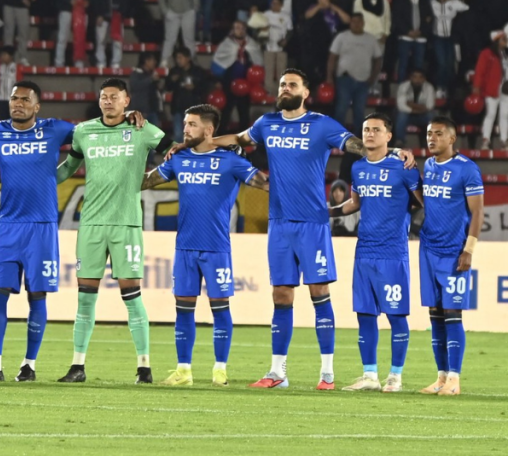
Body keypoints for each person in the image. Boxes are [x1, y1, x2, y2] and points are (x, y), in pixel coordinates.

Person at [173, 68, 415, 389]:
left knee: (319, 293)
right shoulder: (267, 123)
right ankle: (278, 373)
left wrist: (393, 151)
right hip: (279, 224)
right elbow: (239, 139)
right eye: (282, 84)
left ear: (305, 93)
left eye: (292, 84)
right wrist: (194, 144)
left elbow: (357, 144)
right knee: (281, 294)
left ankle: (327, 374)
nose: (285, 88)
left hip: (312, 223)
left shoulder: (321, 124)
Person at [142, 104, 269, 387]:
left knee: (220, 309)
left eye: (192, 124)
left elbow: (265, 185)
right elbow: (146, 182)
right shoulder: (179, 158)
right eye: (185, 123)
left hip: (216, 248)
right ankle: (183, 370)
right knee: (183, 309)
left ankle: (220, 369)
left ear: (209, 130)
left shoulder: (231, 161)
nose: (185, 129)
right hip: (185, 247)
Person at [54, 79, 166, 384]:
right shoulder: (84, 131)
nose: (107, 101)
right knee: (85, 299)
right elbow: (68, 168)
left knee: (132, 296)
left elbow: (173, 151)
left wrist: (153, 178)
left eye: (114, 97)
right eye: (104, 96)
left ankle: (144, 367)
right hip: (91, 224)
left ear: (126, 101)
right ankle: (77, 366)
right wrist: (38, 180)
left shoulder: (142, 129)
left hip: (126, 223)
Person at [0, 82, 74, 382]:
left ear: (37, 106)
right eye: (14, 98)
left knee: (37, 295)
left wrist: (128, 119)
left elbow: (95, 136)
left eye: (25, 99)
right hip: (8, 226)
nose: (18, 103)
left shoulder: (55, 129)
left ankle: (29, 365)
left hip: (42, 226)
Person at [330, 113, 422, 393]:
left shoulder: (404, 167)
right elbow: (353, 204)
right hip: (364, 251)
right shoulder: (358, 168)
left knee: (396, 315)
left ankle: (395, 376)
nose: (369, 133)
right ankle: (370, 375)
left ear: (388, 136)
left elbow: (422, 202)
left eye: (376, 129)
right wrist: (326, 212)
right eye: (366, 129)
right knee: (365, 314)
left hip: (392, 252)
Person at [418, 117, 484, 396]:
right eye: (429, 134)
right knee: (435, 314)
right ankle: (441, 377)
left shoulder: (467, 169)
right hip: (428, 249)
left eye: (438, 134)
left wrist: (469, 249)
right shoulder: (429, 165)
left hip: (454, 251)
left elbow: (477, 212)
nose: (431, 139)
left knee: (452, 313)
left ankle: (455, 379)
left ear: (452, 138)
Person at [327, 13, 383, 131]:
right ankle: (337, 136)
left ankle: (358, 138)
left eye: (359, 22)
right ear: (350, 23)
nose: (356, 24)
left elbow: (378, 59)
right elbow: (332, 57)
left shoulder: (371, 39)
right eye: (354, 22)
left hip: (364, 81)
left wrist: (373, 77)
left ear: (363, 23)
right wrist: (329, 77)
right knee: (341, 109)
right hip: (345, 78)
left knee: (359, 111)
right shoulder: (342, 37)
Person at [212, 20, 263, 129]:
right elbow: (218, 63)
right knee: (225, 112)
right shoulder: (226, 44)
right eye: (237, 28)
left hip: (246, 84)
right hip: (228, 83)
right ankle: (220, 136)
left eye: (242, 28)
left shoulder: (252, 44)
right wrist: (218, 80)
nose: (240, 31)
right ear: (233, 30)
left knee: (244, 113)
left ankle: (244, 137)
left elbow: (257, 63)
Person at [430, 0, 469, 98]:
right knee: (441, 63)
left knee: (449, 64)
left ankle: (446, 88)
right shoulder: (433, 3)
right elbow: (436, 14)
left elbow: (467, 7)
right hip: (438, 37)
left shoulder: (453, 3)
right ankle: (439, 86)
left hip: (450, 37)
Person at [159, 0, 198, 67]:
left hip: (188, 12)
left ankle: (192, 61)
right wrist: (166, 12)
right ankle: (164, 60)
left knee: (189, 40)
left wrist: (194, 9)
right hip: (172, 13)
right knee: (170, 39)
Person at [90, 0, 128, 69]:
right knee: (100, 40)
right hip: (102, 16)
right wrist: (98, 14)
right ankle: (100, 62)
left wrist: (121, 12)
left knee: (117, 41)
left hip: (117, 16)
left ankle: (116, 63)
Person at [391, 0, 431, 82]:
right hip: (405, 37)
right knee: (403, 63)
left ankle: (417, 87)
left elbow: (429, 18)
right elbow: (397, 18)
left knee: (419, 65)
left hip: (420, 37)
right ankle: (401, 87)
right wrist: (407, 31)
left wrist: (421, 31)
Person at [166, 47, 210, 141]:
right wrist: (172, 80)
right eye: (177, 58)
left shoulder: (198, 72)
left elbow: (205, 88)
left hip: (193, 109)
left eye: (180, 57)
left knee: (192, 136)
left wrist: (194, 88)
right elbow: (167, 87)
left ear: (188, 58)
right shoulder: (174, 71)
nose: (178, 60)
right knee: (178, 135)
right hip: (177, 108)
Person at [473, 32, 508, 150]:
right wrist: (477, 87)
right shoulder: (487, 53)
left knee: (505, 115)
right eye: (503, 39)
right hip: (491, 88)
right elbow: (480, 71)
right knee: (491, 114)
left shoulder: (505, 54)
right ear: (497, 40)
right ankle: (485, 140)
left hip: (505, 89)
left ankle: (504, 140)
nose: (506, 42)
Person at [394, 69, 435, 147]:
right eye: (415, 77)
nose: (417, 80)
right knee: (401, 115)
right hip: (408, 116)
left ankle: (429, 141)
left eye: (420, 77)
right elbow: (401, 106)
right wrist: (418, 109)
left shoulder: (429, 87)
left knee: (431, 115)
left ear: (424, 79)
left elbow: (429, 106)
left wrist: (411, 104)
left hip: (422, 116)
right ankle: (400, 141)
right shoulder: (403, 86)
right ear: (410, 78)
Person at [263, 0, 291, 94]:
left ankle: (281, 93)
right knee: (269, 71)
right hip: (269, 47)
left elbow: (290, 31)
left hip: (281, 48)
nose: (275, 5)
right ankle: (269, 92)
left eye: (277, 3)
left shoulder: (286, 16)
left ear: (281, 5)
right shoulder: (265, 15)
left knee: (281, 72)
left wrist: (285, 40)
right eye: (273, 3)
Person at [128, 53, 163, 127]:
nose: (155, 62)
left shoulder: (153, 74)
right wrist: (151, 79)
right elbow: (135, 86)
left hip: (153, 111)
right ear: (146, 61)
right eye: (153, 60)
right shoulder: (136, 73)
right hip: (141, 112)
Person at [0, 46, 17, 120]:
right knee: (2, 119)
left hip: (12, 99)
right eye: (2, 55)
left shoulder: (17, 68)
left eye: (5, 55)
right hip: (0, 98)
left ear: (11, 56)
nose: (2, 57)